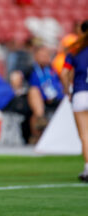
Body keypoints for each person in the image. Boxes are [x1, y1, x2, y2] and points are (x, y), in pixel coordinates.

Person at [61, 20, 88, 182]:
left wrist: (67, 90)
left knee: (85, 135)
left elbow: (64, 73)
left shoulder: (75, 50)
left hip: (80, 93)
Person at [27, 46, 64, 143]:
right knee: (33, 91)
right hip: (39, 101)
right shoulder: (30, 69)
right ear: (35, 57)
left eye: (46, 55)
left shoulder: (53, 70)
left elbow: (59, 86)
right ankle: (39, 124)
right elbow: (19, 78)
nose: (44, 58)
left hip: (57, 99)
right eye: (41, 55)